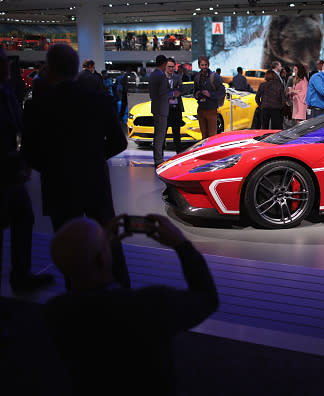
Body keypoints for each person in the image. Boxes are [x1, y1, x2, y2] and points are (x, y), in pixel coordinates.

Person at [44, 214, 219, 396]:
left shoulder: (54, 312)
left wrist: (102, 246)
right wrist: (182, 245)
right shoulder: (151, 305)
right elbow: (207, 298)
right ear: (103, 259)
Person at [21, 44, 130, 289]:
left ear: (48, 69)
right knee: (109, 240)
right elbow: (119, 142)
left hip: (58, 187)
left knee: (71, 250)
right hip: (95, 182)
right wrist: (94, 158)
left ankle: (77, 305)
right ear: (75, 69)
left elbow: (29, 153)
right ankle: (123, 295)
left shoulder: (36, 106)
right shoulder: (99, 100)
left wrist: (52, 167)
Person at [0, 48, 54, 291]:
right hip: (5, 170)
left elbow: (15, 128)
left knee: (24, 219)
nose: (8, 67)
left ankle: (21, 275)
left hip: (12, 171)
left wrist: (23, 160)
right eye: (4, 63)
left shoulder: (8, 91)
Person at [149, 54, 179, 167]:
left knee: (157, 135)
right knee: (160, 136)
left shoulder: (152, 74)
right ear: (163, 63)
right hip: (162, 109)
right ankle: (158, 159)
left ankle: (157, 158)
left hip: (156, 108)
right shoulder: (161, 75)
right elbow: (162, 93)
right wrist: (173, 93)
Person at [193, 56, 225, 138]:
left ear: (208, 65)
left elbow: (222, 92)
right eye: (202, 65)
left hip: (211, 109)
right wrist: (197, 94)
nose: (204, 67)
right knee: (203, 135)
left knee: (212, 135)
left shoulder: (215, 77)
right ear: (199, 65)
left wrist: (210, 94)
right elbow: (195, 91)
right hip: (201, 108)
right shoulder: (197, 77)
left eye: (205, 65)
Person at [165, 57, 184, 154]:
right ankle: (159, 158)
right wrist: (172, 93)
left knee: (177, 134)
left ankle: (179, 155)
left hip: (176, 109)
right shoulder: (161, 78)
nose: (171, 69)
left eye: (172, 67)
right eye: (169, 67)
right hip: (165, 110)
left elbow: (181, 90)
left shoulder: (178, 77)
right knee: (162, 135)